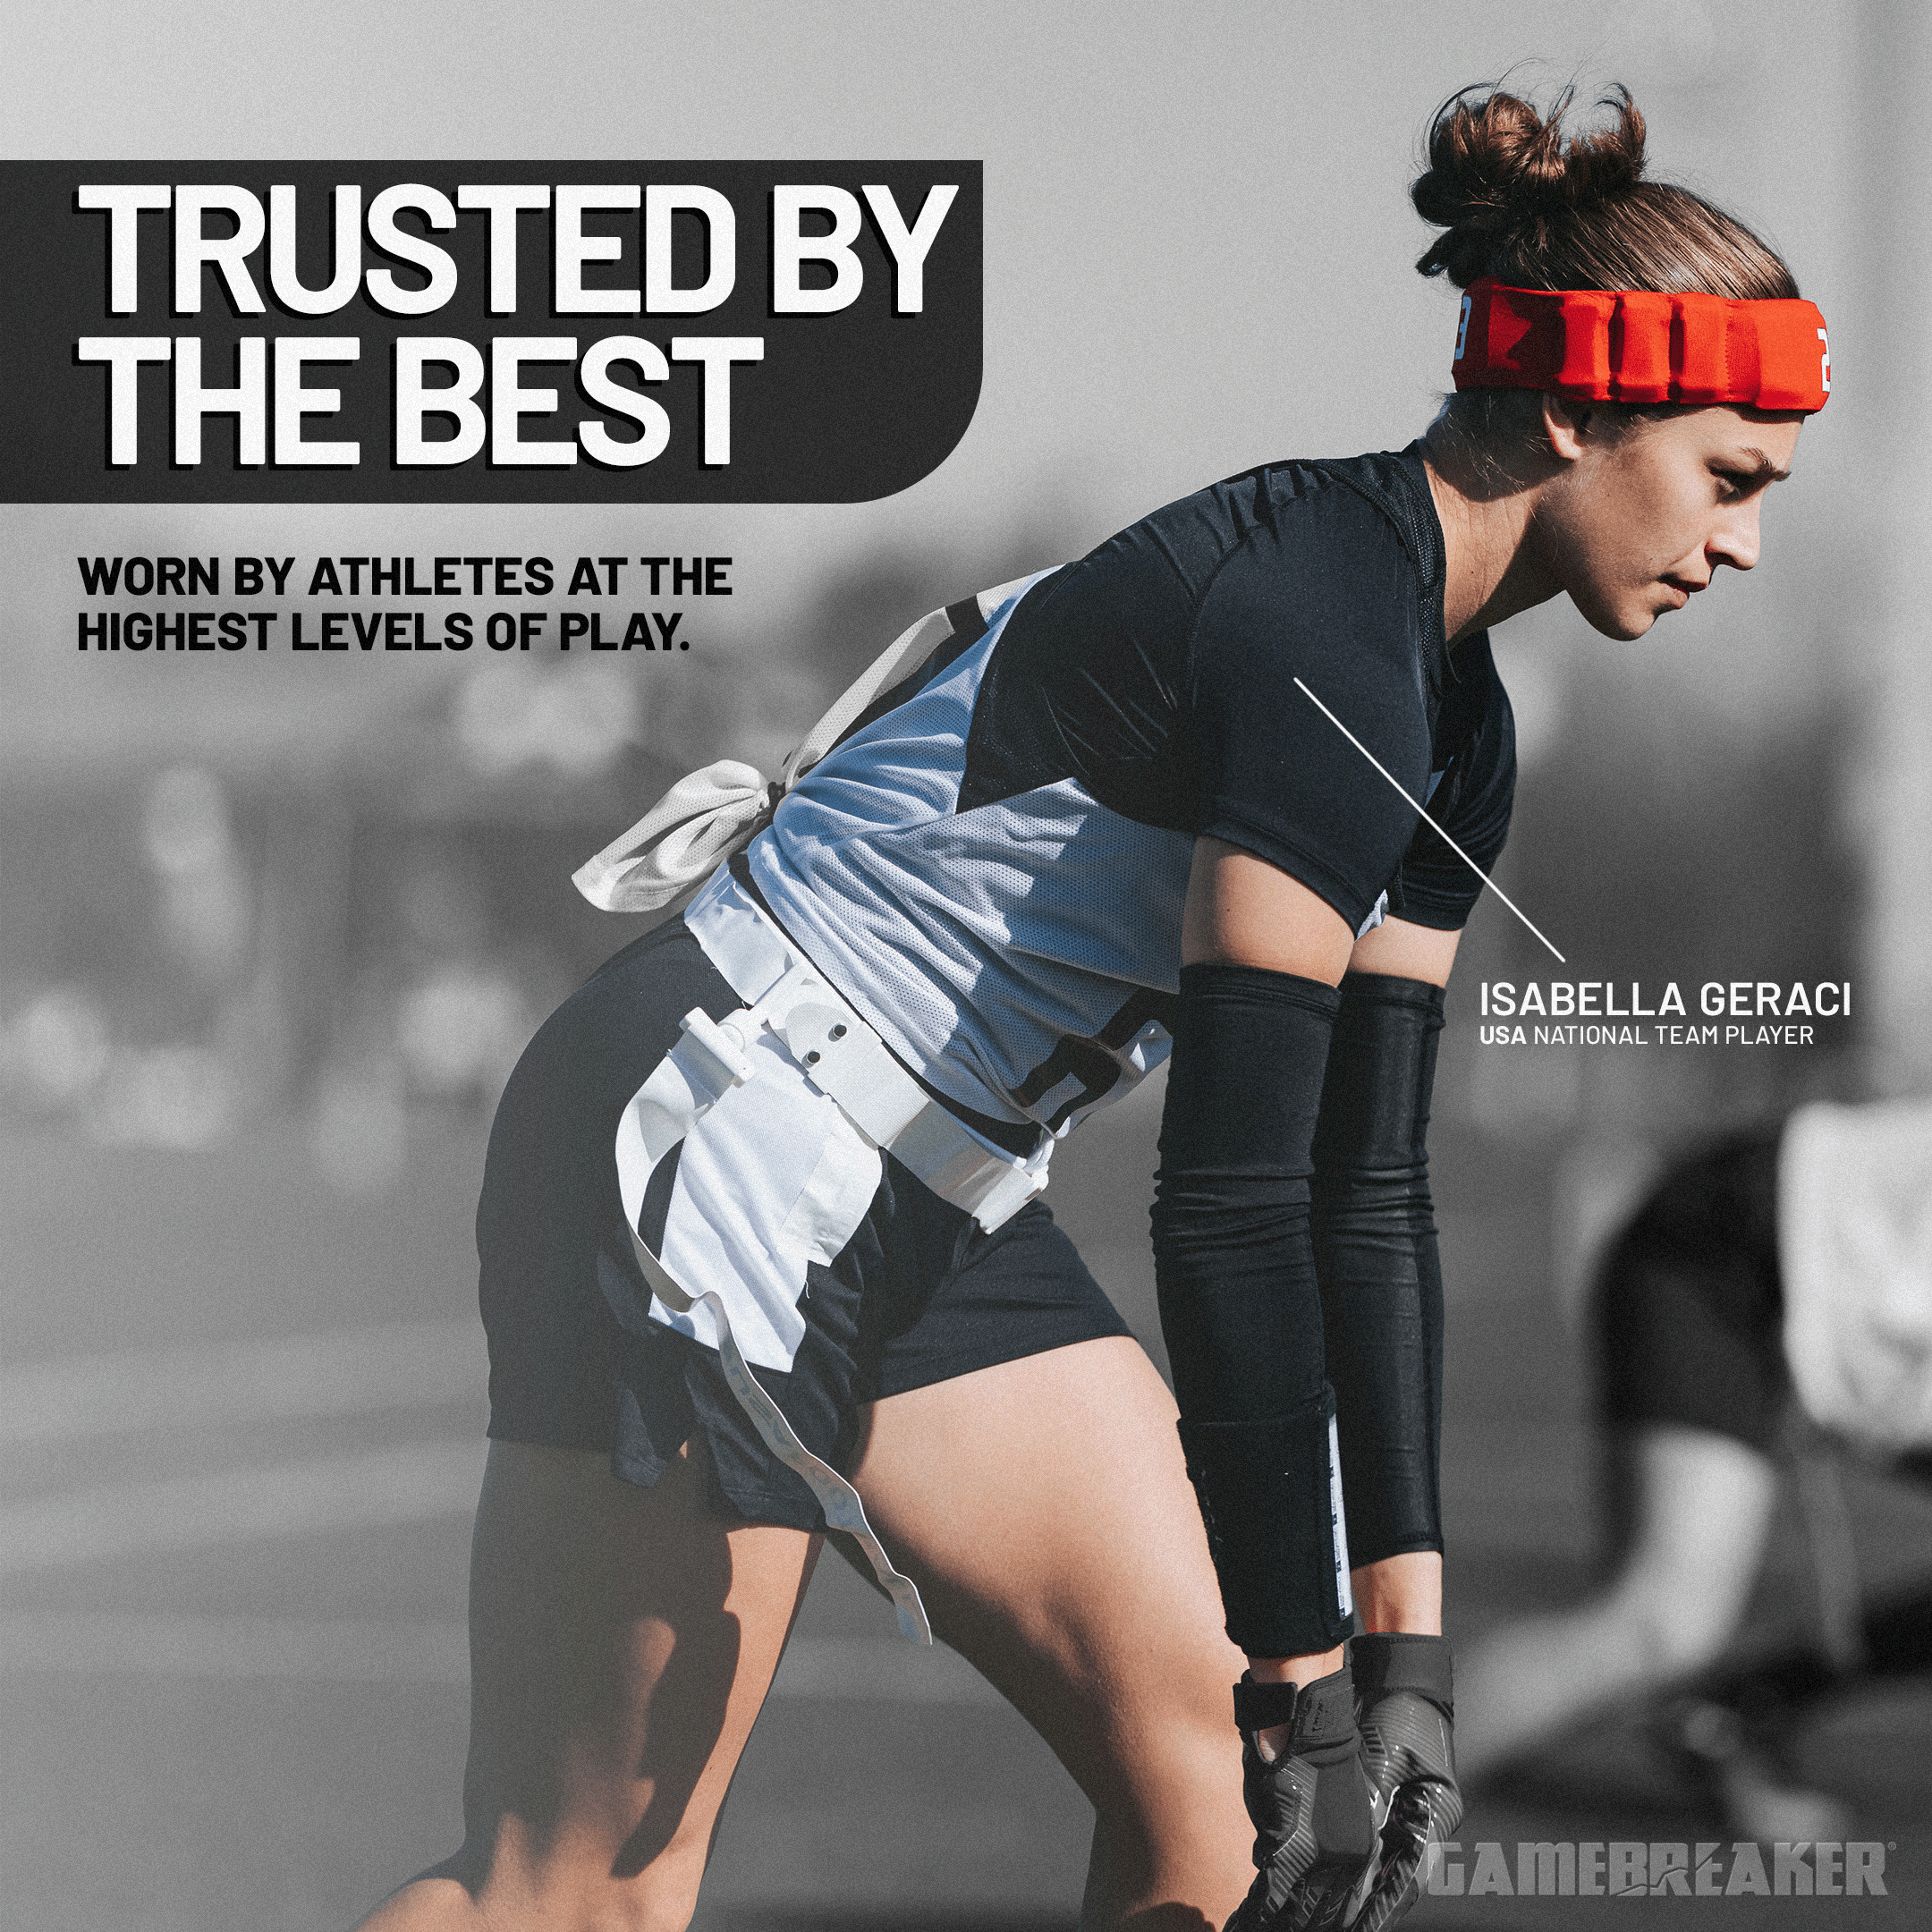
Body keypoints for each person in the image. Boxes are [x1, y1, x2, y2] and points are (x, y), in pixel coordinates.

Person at [354, 82, 1829, 1932]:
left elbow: (1363, 1197)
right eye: (1732, 480)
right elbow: (1224, 1201)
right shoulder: (1326, 632)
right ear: (1573, 409)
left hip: (931, 1185)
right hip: (726, 1119)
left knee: (1218, 1800)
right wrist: (1298, 1647)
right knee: (570, 1900)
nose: (1747, 545)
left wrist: (1408, 1643)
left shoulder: (1460, 729)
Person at [1454, 1097, 1932, 1839]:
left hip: (1777, 1243)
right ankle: (1323, 1822)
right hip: (1731, 1242)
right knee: (1661, 1624)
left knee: (1664, 1627)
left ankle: (1738, 1714)